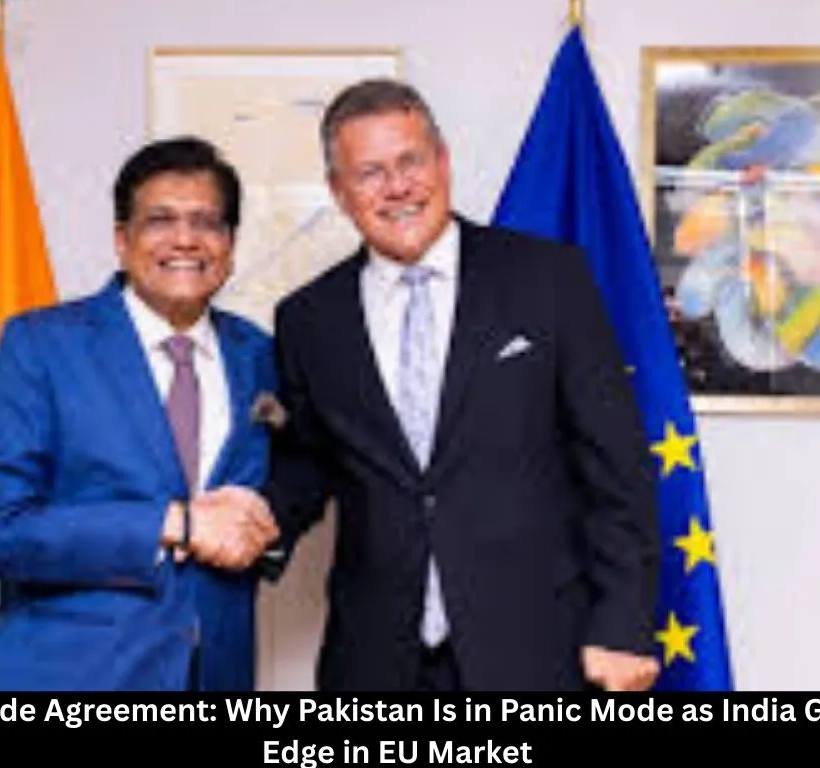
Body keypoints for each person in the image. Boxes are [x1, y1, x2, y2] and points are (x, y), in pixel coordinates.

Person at [262, 78, 662, 691]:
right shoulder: (308, 319)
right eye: (370, 173)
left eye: (411, 161)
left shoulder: (549, 279)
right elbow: (309, 464)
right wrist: (255, 518)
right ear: (339, 192)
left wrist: (625, 624)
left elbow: (617, 467)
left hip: (535, 650)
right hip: (375, 661)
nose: (397, 187)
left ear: (443, 162)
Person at [0, 136, 280, 692]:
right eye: (160, 220)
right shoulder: (42, 345)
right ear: (122, 241)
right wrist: (169, 524)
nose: (185, 239)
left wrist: (265, 532)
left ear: (229, 245)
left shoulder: (259, 354)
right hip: (75, 676)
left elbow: (286, 482)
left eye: (206, 222)